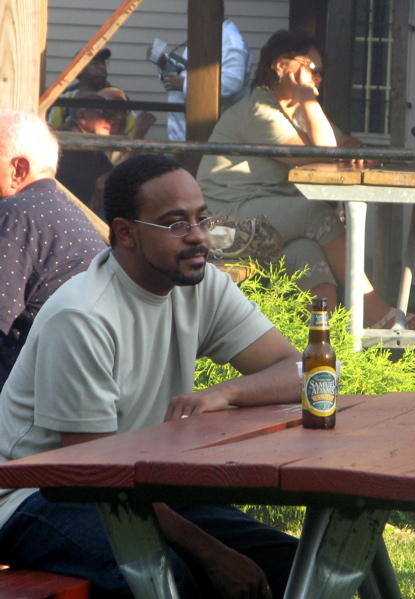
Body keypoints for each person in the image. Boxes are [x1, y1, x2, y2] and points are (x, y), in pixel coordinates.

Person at [0, 153, 300, 597]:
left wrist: (226, 393)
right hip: (37, 493)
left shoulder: (202, 285)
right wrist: (212, 552)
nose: (199, 237)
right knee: (166, 581)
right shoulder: (83, 316)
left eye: (203, 218)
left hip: (142, 487)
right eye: (177, 224)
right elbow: (95, 477)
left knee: (291, 564)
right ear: (126, 233)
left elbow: (300, 370)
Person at [197, 30, 415, 329]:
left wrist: (352, 151)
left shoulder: (293, 110)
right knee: (318, 215)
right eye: (310, 68)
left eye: (320, 72)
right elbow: (326, 151)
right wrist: (306, 98)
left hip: (255, 217)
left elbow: (345, 143)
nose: (316, 78)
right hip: (221, 225)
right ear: (280, 66)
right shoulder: (260, 110)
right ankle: (374, 311)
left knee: (307, 252)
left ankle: (323, 340)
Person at [0, 110, 106, 393]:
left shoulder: (14, 213)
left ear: (18, 170)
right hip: (82, 382)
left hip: (35, 397)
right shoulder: (67, 211)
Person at [148, 18, 252, 142]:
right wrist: (164, 64)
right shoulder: (204, 35)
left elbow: (232, 83)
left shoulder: (229, 41)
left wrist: (187, 84)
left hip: (213, 140)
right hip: (184, 137)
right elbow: (189, 72)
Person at [48, 48, 136, 136]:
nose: (102, 66)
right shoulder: (66, 97)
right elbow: (51, 133)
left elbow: (132, 133)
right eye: (95, 62)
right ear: (79, 69)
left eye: (103, 62)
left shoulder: (117, 97)